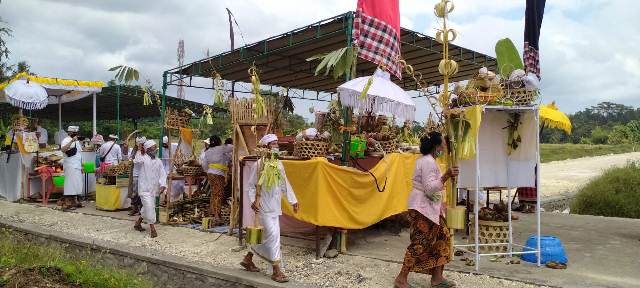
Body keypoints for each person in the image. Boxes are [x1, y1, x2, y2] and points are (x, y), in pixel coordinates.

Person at [394, 132, 459, 288]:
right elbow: (430, 189)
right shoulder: (428, 162)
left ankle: (437, 278)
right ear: (436, 147)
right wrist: (446, 176)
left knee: (442, 238)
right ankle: (401, 278)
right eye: (442, 144)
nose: (444, 147)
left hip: (428, 207)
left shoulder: (425, 160)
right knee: (420, 243)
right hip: (422, 208)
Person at [240, 134, 299, 283]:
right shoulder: (258, 165)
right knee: (273, 236)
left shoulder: (278, 163)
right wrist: (254, 201)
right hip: (263, 206)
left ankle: (248, 258)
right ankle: (276, 270)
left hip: (275, 207)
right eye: (273, 144)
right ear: (266, 147)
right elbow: (250, 187)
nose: (276, 146)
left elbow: (285, 183)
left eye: (277, 144)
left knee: (267, 236)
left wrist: (293, 200)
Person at [133, 140, 167, 238]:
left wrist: (162, 185)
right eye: (153, 148)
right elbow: (136, 161)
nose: (155, 150)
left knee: (146, 208)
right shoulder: (143, 159)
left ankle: (138, 223)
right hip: (144, 189)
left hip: (153, 189)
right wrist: (139, 150)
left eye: (156, 148)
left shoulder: (158, 161)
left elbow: (162, 174)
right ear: (147, 149)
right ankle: (152, 228)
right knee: (150, 207)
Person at [200, 135, 233, 223]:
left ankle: (212, 213)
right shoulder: (221, 148)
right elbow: (232, 147)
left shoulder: (207, 151)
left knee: (214, 193)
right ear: (219, 141)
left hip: (210, 173)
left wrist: (208, 171)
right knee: (219, 194)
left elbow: (204, 165)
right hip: (218, 174)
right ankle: (217, 215)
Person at [60, 126, 84, 210]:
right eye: (73, 133)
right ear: (69, 132)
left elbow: (79, 154)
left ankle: (75, 200)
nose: (75, 134)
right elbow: (63, 149)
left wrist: (82, 165)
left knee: (77, 183)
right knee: (69, 184)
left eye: (76, 132)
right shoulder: (66, 140)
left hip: (77, 165)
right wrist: (71, 141)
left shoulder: (77, 141)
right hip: (70, 165)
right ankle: (67, 202)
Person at [125, 136, 147, 216]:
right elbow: (127, 157)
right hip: (135, 174)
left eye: (141, 144)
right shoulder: (133, 151)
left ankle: (141, 208)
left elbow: (144, 161)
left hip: (143, 174)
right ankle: (134, 208)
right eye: (138, 144)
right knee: (135, 192)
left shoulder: (146, 152)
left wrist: (135, 160)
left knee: (142, 192)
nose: (139, 145)